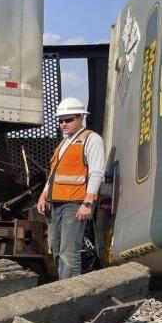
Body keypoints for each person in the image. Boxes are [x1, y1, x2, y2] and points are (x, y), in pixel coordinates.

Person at [36, 97, 105, 279]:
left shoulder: (92, 139)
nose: (63, 124)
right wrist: (43, 195)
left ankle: (70, 294)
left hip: (74, 205)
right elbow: (54, 174)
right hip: (55, 204)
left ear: (80, 118)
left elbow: (97, 173)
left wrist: (87, 204)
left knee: (69, 252)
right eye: (60, 121)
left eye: (68, 120)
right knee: (56, 249)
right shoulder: (64, 144)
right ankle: (63, 287)